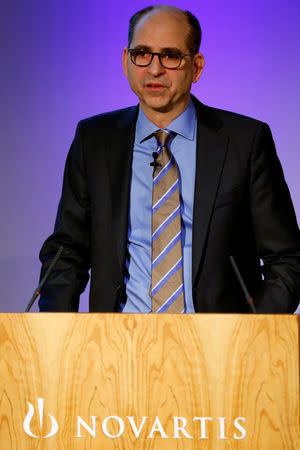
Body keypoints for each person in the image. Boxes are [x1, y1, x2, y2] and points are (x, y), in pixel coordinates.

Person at [38, 5, 300, 313]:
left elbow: (286, 259)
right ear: (126, 61)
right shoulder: (94, 140)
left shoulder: (245, 141)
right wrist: (57, 336)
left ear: (197, 66)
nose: (154, 69)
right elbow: (66, 252)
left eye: (171, 56)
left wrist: (255, 334)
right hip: (118, 346)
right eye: (142, 53)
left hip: (220, 348)